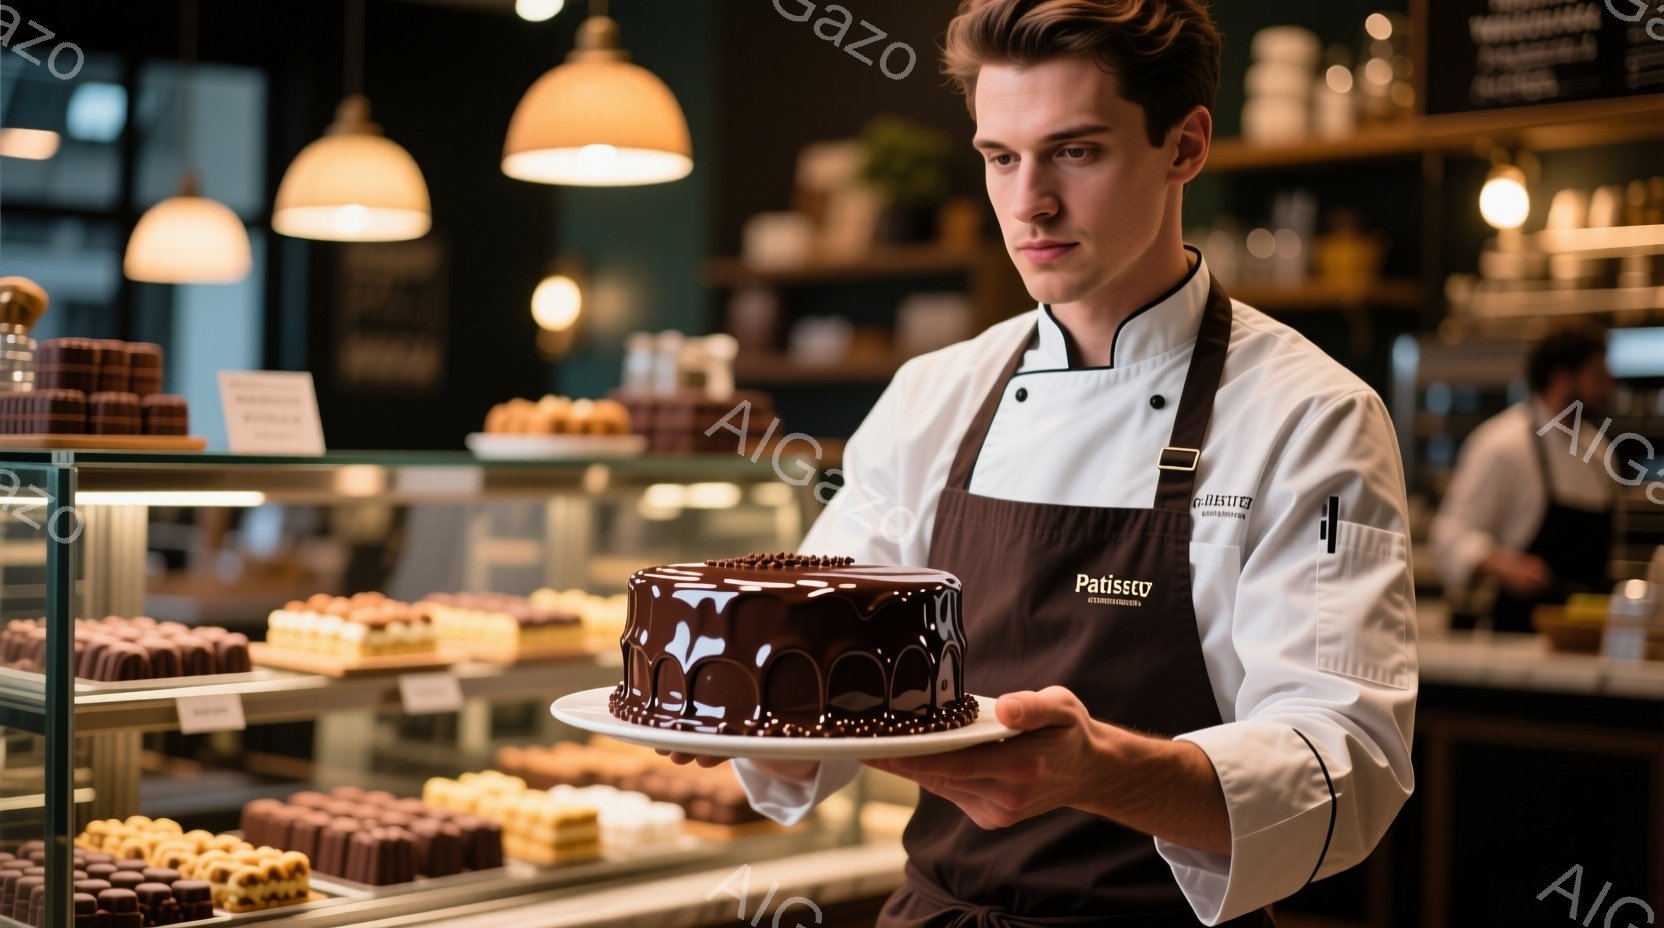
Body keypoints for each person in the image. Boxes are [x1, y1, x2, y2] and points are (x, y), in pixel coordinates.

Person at [667, 1, 1417, 924]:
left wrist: (1100, 773)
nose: (1029, 204)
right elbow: (826, 670)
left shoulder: (1309, 415)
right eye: (1000, 158)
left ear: (1184, 147)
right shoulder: (931, 395)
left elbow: (1349, 763)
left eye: (1077, 150)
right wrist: (728, 707)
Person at [1431, 324, 1615, 633]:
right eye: (1598, 376)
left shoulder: (1600, 453)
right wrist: (1505, 565)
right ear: (1562, 379)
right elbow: (1449, 535)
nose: (1608, 387)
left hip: (1586, 638)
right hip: (1515, 639)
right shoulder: (1503, 445)